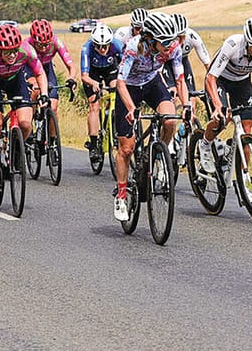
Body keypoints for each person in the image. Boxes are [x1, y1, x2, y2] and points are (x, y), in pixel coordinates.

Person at [112, 12, 190, 221]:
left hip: (153, 84)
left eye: (171, 40)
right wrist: (130, 108)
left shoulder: (173, 48)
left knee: (171, 120)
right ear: (150, 38)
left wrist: (187, 104)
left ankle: (157, 153)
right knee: (126, 148)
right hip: (129, 89)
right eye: (164, 41)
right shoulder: (133, 48)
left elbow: (180, 79)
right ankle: (121, 195)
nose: (169, 45)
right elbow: (120, 82)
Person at [197, 16, 252, 178]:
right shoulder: (232, 45)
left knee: (246, 130)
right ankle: (205, 144)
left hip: (242, 83)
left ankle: (243, 180)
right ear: (247, 42)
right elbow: (211, 78)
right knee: (223, 118)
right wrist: (218, 105)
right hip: (219, 80)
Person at [0, 23, 48, 192]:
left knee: (25, 123)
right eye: (8, 52)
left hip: (16, 82)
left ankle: (16, 151)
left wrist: (44, 93)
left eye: (15, 50)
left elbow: (39, 73)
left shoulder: (27, 50)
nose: (13, 55)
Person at [25, 19, 78, 139]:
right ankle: (30, 125)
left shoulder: (56, 42)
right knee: (35, 91)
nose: (43, 48)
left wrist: (71, 78)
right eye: (40, 45)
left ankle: (53, 141)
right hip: (30, 69)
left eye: (46, 44)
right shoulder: (26, 44)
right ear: (33, 40)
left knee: (53, 107)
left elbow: (71, 66)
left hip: (47, 69)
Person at [80, 23, 124, 162]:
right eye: (98, 46)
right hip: (92, 74)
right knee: (94, 105)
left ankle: (110, 114)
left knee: (116, 93)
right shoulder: (86, 49)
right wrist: (93, 83)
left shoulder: (117, 45)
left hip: (110, 71)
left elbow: (125, 66)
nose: (102, 49)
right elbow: (84, 76)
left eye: (105, 46)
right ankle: (93, 144)